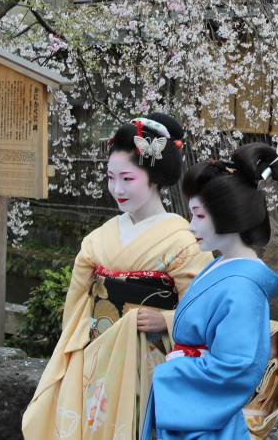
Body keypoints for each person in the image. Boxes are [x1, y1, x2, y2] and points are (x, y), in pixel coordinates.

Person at [23, 113, 213, 440]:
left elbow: (204, 309)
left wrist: (167, 320)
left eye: (127, 178)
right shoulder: (99, 239)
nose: (117, 189)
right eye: (111, 178)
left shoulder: (184, 241)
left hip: (151, 362)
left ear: (154, 178)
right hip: (96, 357)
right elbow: (77, 307)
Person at [140, 142, 278, 440]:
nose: (191, 225)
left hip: (206, 422)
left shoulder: (243, 287)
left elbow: (236, 367)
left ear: (228, 215)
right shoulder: (222, 267)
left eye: (199, 215)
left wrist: (172, 373)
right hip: (191, 410)